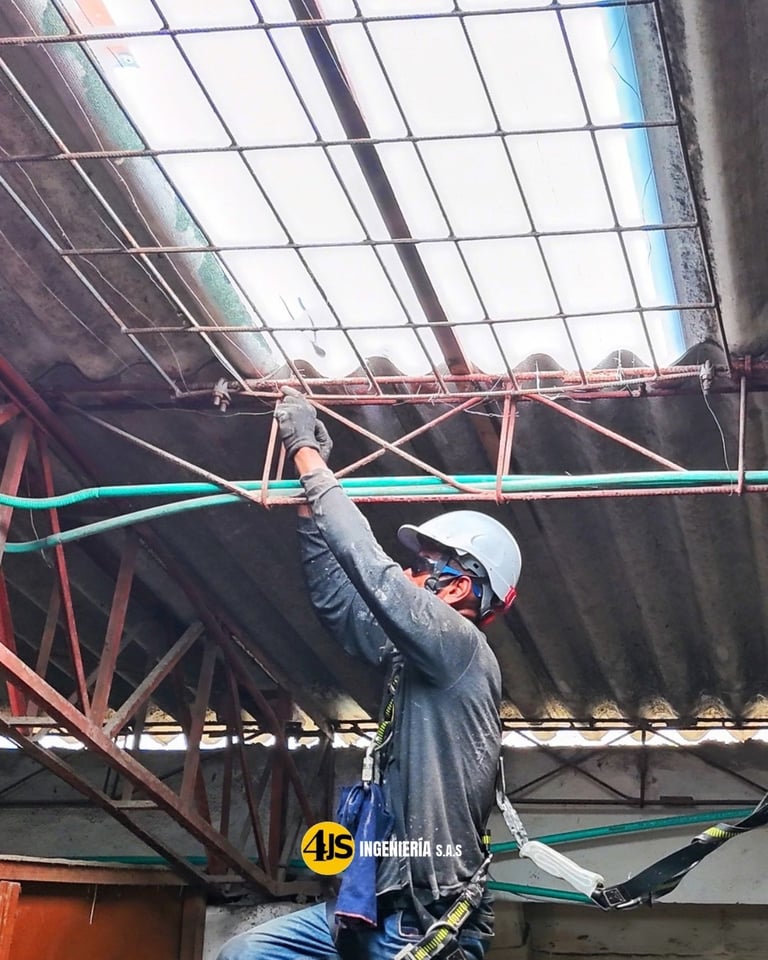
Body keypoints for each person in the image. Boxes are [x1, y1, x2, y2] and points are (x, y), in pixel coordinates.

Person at [218, 389, 522, 960]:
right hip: (370, 903)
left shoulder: (460, 648)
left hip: (427, 922)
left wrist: (307, 453)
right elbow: (340, 600)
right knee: (245, 955)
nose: (409, 572)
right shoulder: (412, 658)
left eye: (425, 567)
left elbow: (369, 567)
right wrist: (310, 510)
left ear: (455, 587)